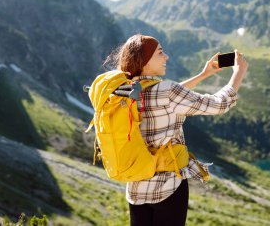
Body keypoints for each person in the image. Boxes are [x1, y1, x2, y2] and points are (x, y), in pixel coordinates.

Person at [104, 34, 248, 226]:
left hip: (136, 187)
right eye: (160, 53)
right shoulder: (167, 92)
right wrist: (239, 72)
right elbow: (219, 104)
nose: (166, 57)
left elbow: (167, 99)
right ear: (145, 60)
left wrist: (203, 75)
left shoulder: (124, 90)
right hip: (169, 186)